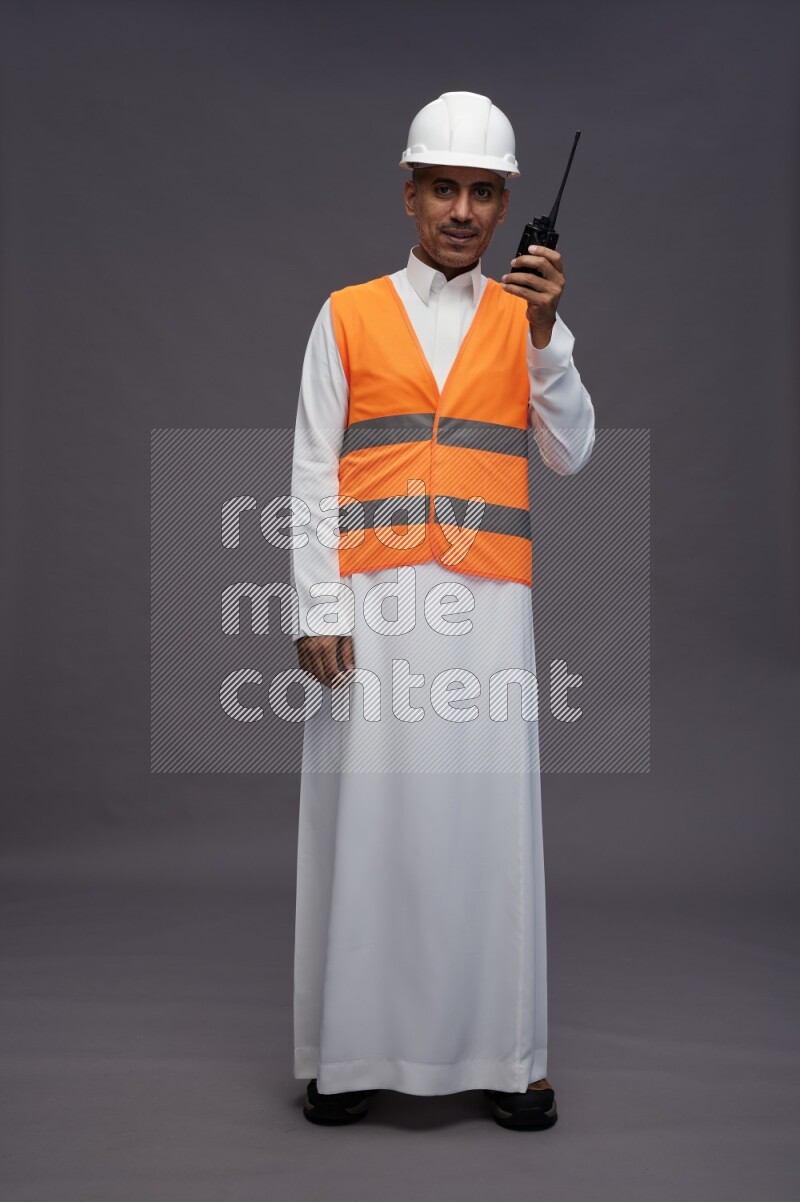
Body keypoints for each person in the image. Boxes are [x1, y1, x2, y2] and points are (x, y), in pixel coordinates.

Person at [289, 91, 595, 1131]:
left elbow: (571, 449)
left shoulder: (527, 320)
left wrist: (548, 340)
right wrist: (315, 604)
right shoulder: (344, 312)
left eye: (480, 191)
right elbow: (311, 468)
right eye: (442, 188)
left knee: (486, 825)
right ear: (410, 193)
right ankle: (350, 1049)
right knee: (364, 822)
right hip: (369, 608)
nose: (460, 210)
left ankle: (507, 1055)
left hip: (485, 611)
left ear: (504, 203)